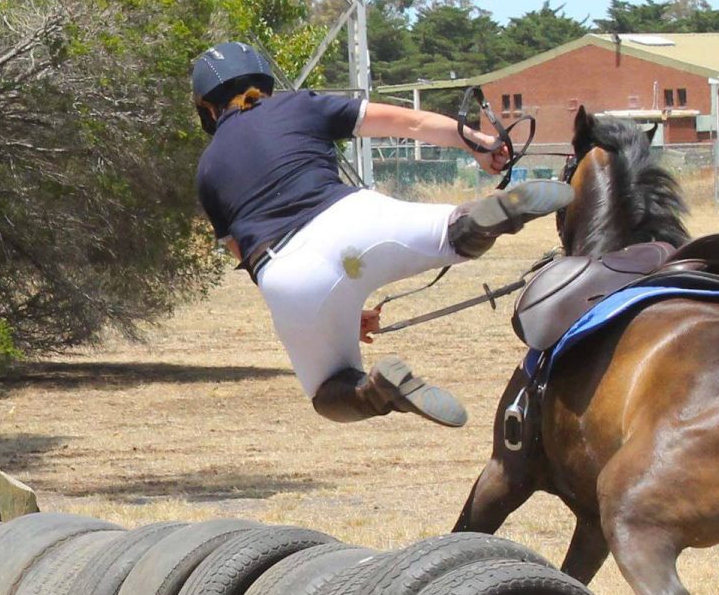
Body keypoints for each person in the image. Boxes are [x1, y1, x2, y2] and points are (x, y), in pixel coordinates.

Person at [192, 41, 573, 428]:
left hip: (286, 272)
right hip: (354, 219)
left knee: (329, 392)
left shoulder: (206, 171)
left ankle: (379, 389)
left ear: (207, 107)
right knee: (454, 232)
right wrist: (481, 144)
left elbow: (247, 256)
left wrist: (338, 311)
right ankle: (486, 216)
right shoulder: (298, 105)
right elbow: (408, 123)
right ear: (265, 81)